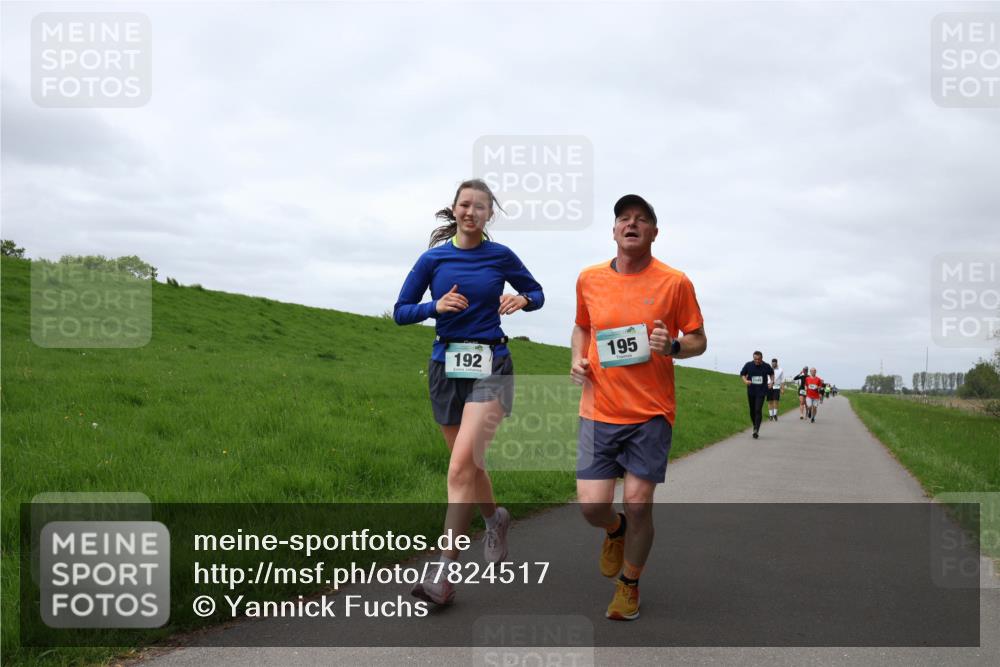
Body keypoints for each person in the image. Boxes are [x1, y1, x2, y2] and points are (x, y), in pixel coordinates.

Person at [393, 178, 545, 605]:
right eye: (465, 205)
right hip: (446, 367)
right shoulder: (433, 260)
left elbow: (537, 292)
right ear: (455, 209)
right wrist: (434, 308)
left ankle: (442, 575)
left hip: (491, 364)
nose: (471, 212)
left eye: (480, 207)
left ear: (488, 215)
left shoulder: (500, 256)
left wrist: (523, 301)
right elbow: (401, 311)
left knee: (460, 468)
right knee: (470, 465)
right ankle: (495, 519)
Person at [570, 194, 707, 621]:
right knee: (592, 506)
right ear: (614, 230)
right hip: (598, 410)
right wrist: (577, 356)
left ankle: (629, 583)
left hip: (650, 412)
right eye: (624, 218)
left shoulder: (675, 282)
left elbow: (699, 340)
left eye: (642, 219)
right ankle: (615, 530)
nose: (632, 224)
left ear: (653, 233)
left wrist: (677, 346)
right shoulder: (589, 279)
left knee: (638, 501)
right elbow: (581, 326)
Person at [740, 351, 774, 438]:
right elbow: (742, 374)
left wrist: (772, 382)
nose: (757, 361)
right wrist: (746, 381)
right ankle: (755, 425)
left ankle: (756, 430)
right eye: (755, 359)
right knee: (752, 411)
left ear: (762, 358)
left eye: (758, 359)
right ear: (753, 358)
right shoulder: (748, 365)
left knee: (758, 410)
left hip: (762, 391)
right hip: (751, 391)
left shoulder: (766, 366)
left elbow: (771, 373)